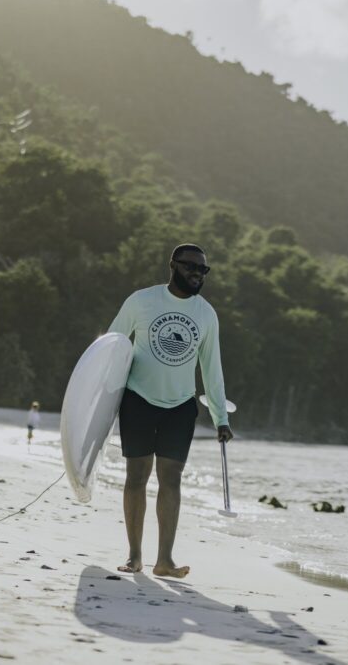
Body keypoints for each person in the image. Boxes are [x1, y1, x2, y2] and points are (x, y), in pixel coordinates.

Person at [107, 244, 233, 578]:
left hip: (180, 405)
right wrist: (100, 400)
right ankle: (135, 556)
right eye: (191, 266)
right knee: (137, 476)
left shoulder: (206, 314)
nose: (197, 273)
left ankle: (164, 560)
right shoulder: (142, 301)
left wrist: (221, 418)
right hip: (138, 399)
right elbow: (113, 343)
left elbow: (212, 369)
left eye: (203, 270)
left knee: (171, 479)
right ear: (173, 265)